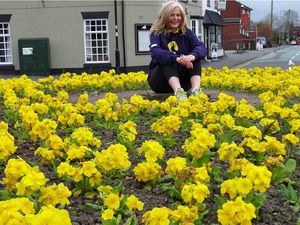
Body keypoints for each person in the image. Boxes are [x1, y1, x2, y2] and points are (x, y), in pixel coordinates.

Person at [147, 0, 207, 101]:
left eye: (178, 15)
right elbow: (155, 52)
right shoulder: (156, 33)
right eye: (172, 15)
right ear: (165, 16)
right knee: (167, 58)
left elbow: (201, 47)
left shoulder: (186, 32)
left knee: (195, 57)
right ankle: (178, 92)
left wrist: (191, 57)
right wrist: (177, 58)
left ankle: (196, 90)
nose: (176, 18)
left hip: (184, 82)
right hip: (160, 82)